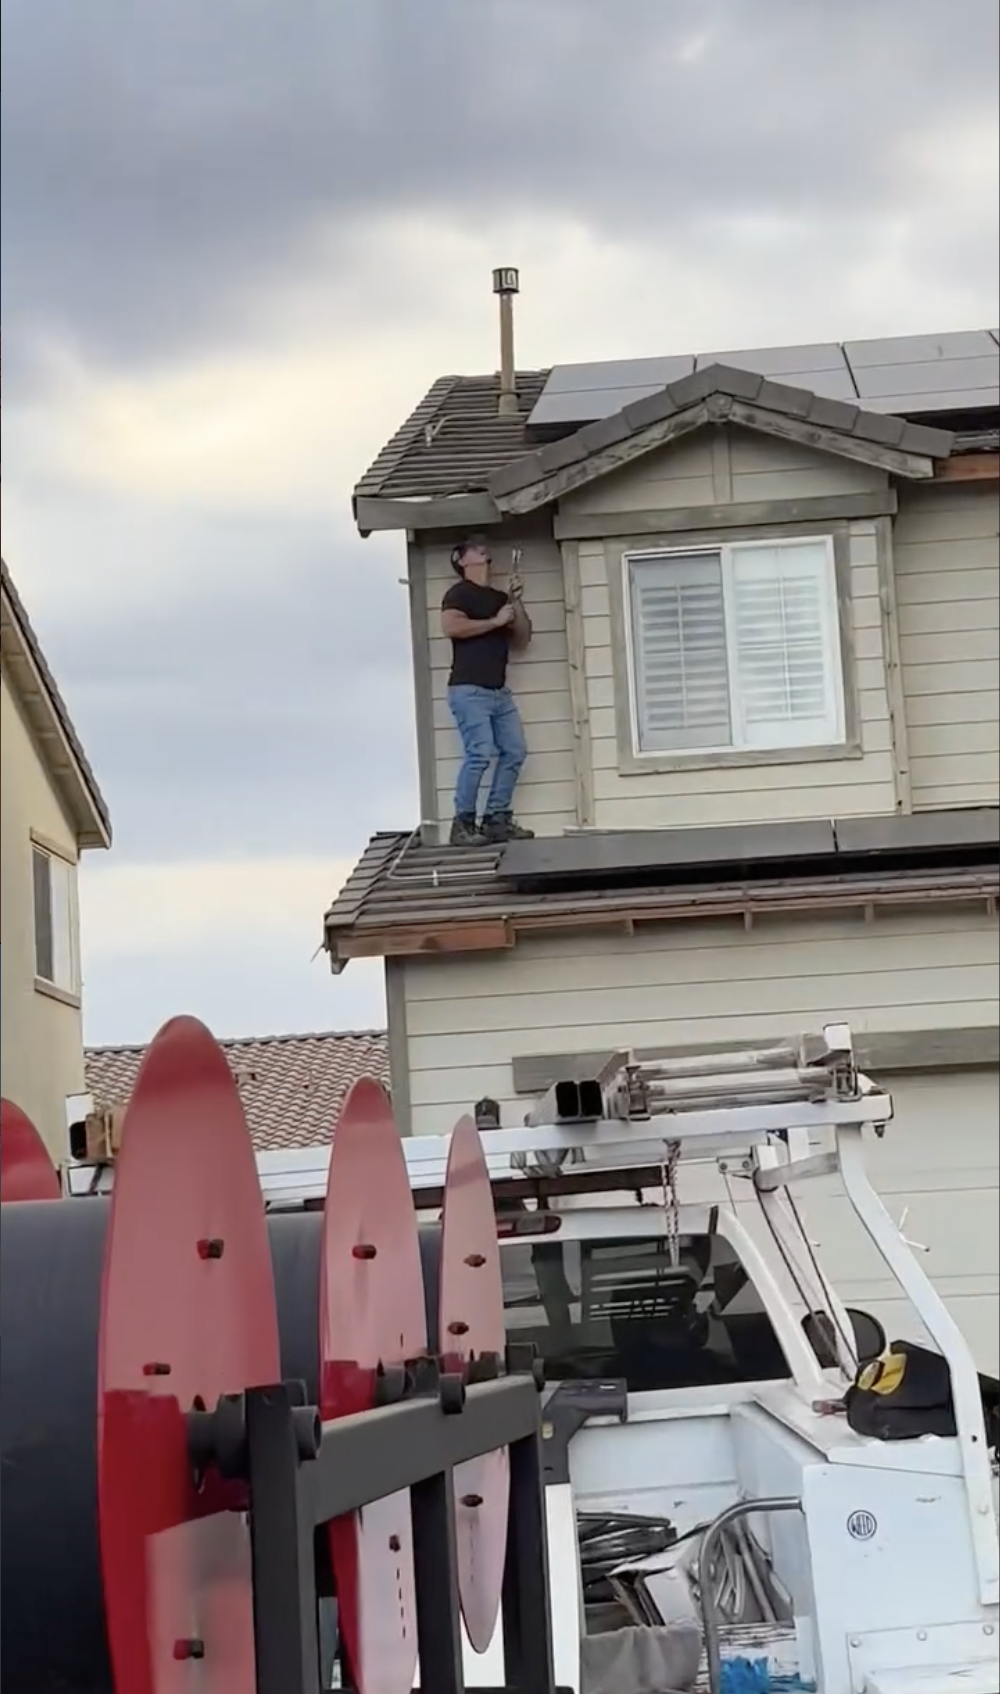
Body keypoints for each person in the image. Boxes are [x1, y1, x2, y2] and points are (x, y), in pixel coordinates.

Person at [441, 537, 534, 845]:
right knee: (479, 753)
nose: (483, 549)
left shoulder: (498, 597)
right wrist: (494, 622)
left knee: (514, 751)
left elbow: (521, 638)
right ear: (462, 560)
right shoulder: (458, 594)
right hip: (469, 690)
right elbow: (452, 628)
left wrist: (515, 602)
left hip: (498, 693)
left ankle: (497, 819)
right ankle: (463, 825)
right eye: (474, 547)